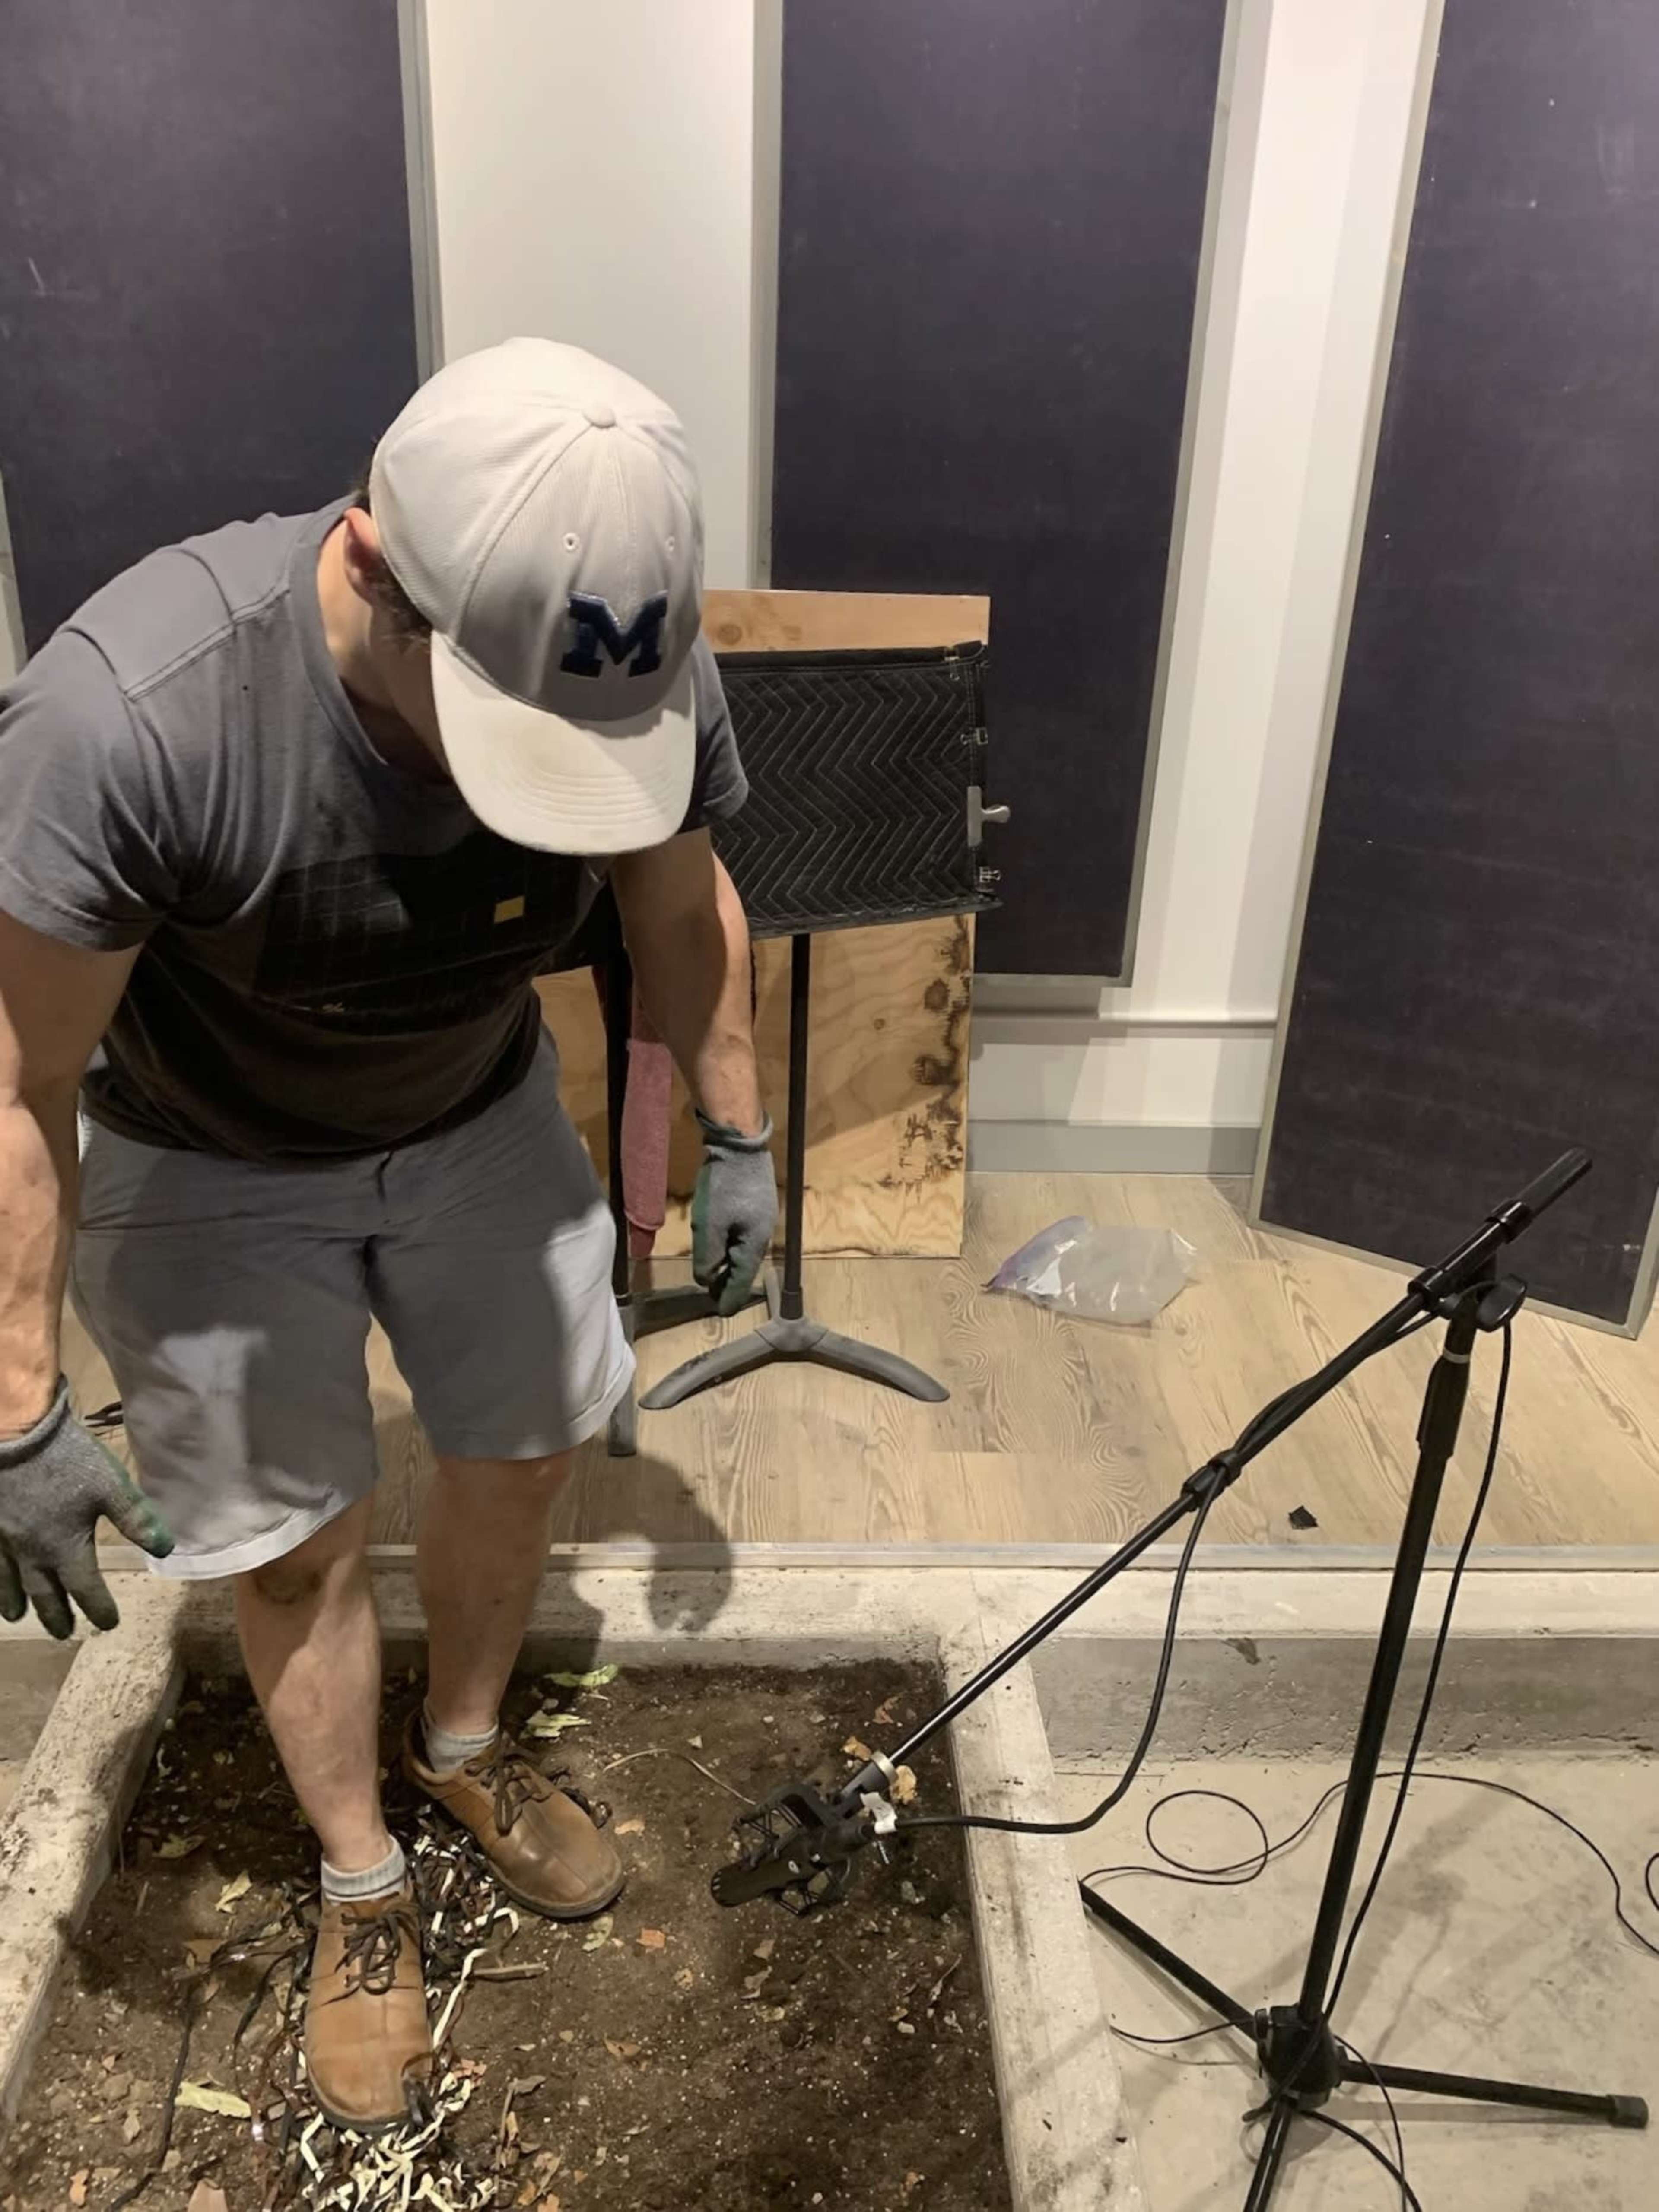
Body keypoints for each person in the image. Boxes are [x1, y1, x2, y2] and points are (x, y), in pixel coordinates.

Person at [0, 339, 778, 2126]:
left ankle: (467, 1746)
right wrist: (22, 1402)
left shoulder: (627, 654)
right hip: (201, 1153)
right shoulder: (134, 715)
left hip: (473, 1113)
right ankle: (361, 1875)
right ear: (368, 561)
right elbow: (17, 1079)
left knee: (520, 1449)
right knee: (289, 1546)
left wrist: (739, 1128)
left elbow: (679, 893)